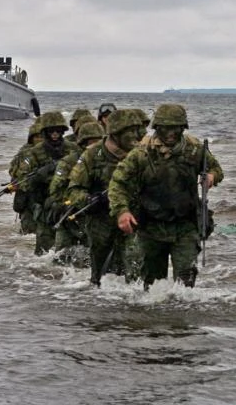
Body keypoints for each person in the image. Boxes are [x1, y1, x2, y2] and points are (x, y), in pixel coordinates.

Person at [109, 104, 223, 289]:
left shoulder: (194, 150)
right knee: (152, 285)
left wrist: (211, 176)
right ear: (157, 128)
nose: (170, 133)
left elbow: (216, 169)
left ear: (182, 128)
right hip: (152, 226)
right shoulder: (141, 154)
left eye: (175, 128)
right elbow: (117, 183)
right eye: (165, 128)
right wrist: (122, 211)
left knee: (186, 282)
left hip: (185, 225)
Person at [68, 110, 145, 286]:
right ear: (116, 133)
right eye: (130, 132)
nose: (135, 136)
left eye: (136, 131)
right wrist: (89, 200)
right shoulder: (92, 155)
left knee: (135, 269)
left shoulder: (141, 154)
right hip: (100, 221)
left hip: (132, 219)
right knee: (100, 277)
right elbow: (73, 191)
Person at [12, 111, 80, 255]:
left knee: (72, 248)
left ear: (63, 131)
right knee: (43, 251)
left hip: (68, 204)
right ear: (44, 132)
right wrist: (39, 177)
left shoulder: (73, 149)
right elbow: (22, 180)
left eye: (58, 130)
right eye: (51, 131)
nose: (55, 134)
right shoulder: (33, 153)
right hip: (43, 205)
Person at [48, 121, 105, 265]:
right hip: (70, 213)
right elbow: (56, 190)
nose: (94, 146)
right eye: (91, 142)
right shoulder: (69, 161)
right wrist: (76, 199)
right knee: (61, 260)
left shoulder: (106, 161)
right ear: (82, 142)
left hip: (95, 214)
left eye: (98, 141)